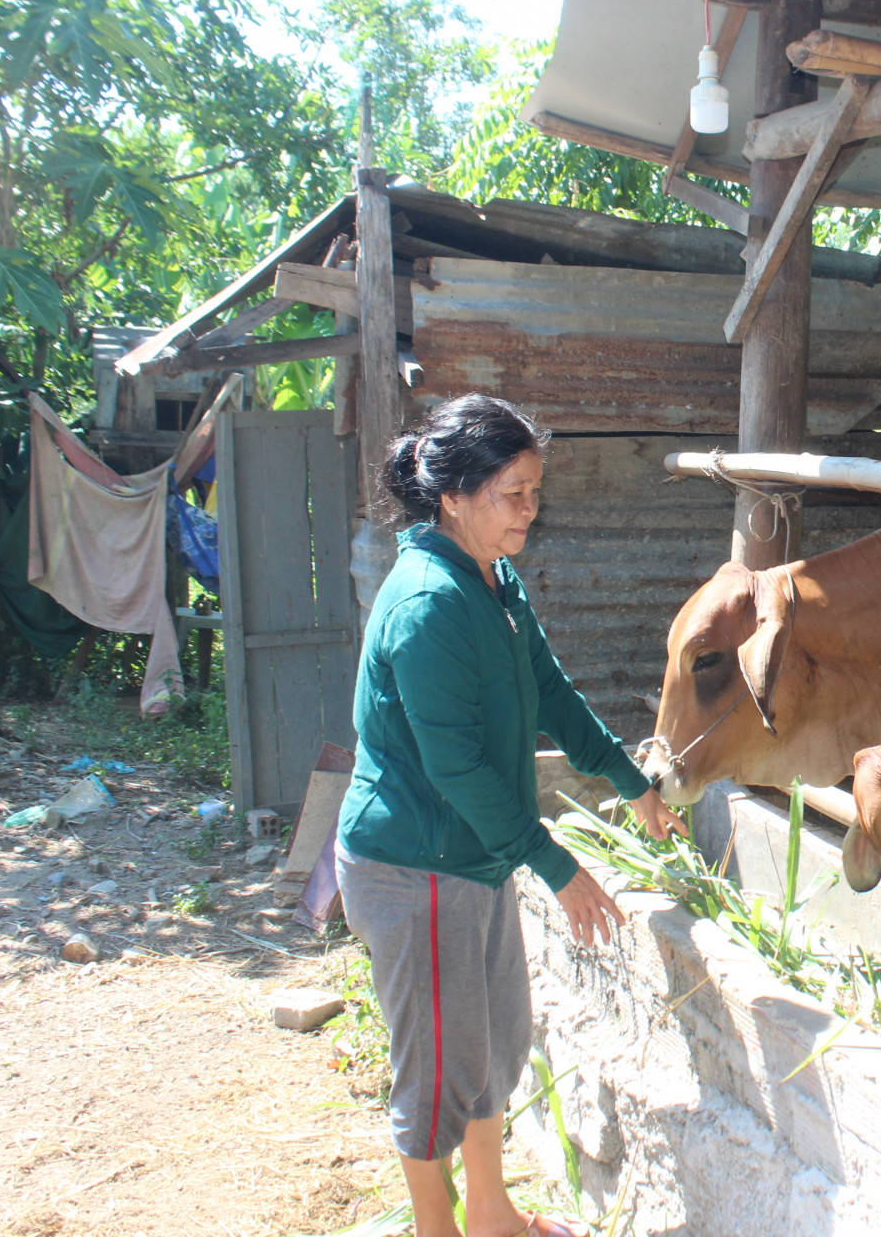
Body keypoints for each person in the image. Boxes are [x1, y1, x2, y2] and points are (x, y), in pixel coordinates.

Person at [335, 394, 686, 1237]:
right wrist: (559, 869)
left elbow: (553, 697)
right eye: (513, 493)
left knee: (493, 1038)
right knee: (437, 1065)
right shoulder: (427, 604)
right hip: (413, 864)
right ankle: (438, 1228)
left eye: (535, 490)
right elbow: (456, 767)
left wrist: (628, 780)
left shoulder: (493, 580)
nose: (531, 508)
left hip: (471, 859)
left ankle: (490, 1211)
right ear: (454, 496)